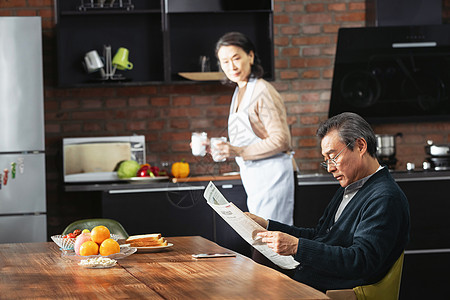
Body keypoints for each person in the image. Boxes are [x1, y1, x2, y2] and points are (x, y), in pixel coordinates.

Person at [247, 112, 410, 292]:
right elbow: (320, 235)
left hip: (332, 289)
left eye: (333, 157)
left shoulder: (384, 197)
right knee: (257, 260)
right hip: (312, 278)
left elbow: (361, 260)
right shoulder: (351, 186)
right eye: (327, 161)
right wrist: (268, 226)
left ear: (360, 146)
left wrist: (296, 247)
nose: (331, 168)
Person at [213, 31, 297, 226]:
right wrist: (225, 148)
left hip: (274, 177)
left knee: (271, 243)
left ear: (250, 56)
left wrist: (238, 150)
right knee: (262, 241)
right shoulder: (240, 90)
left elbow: (281, 139)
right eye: (224, 61)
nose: (231, 66)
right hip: (256, 179)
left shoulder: (262, 90)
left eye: (236, 58)